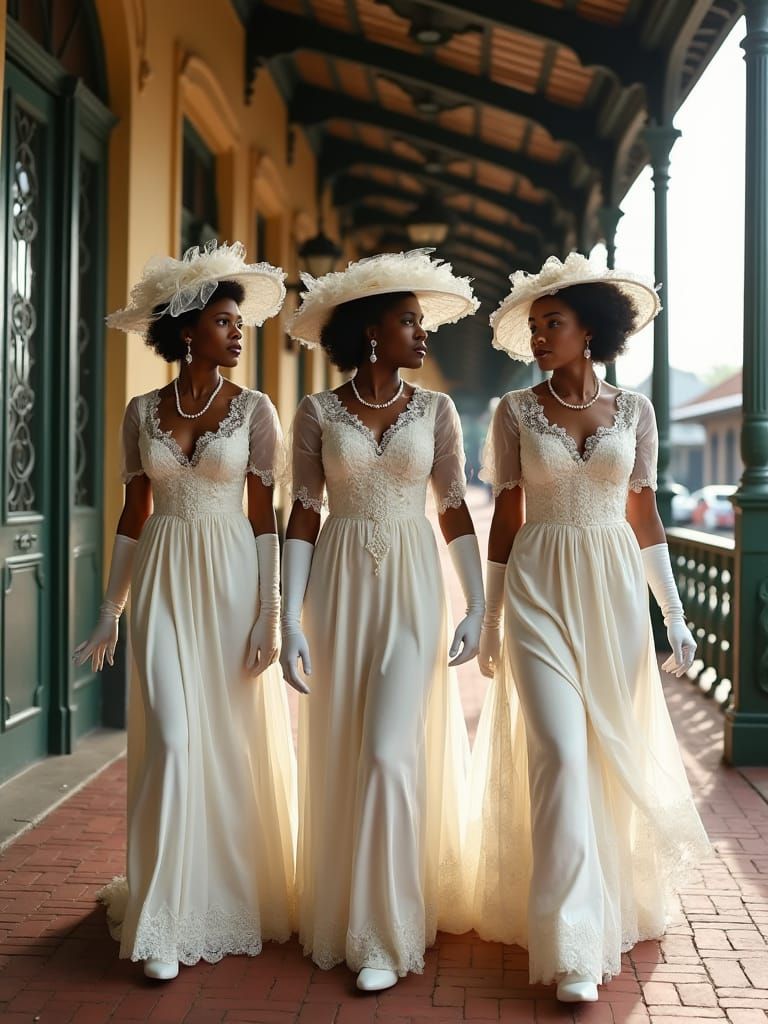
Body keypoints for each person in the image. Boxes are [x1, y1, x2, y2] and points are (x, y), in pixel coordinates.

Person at [466, 253, 710, 1002]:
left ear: (591, 332)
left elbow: (644, 516)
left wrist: (672, 613)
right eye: (535, 326)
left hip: (611, 596)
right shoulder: (513, 413)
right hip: (538, 590)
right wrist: (491, 617)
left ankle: (607, 906)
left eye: (554, 324)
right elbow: (505, 520)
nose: (540, 336)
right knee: (562, 759)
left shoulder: (635, 412)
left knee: (605, 756)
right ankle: (572, 944)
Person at [73, 242, 297, 980]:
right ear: (189, 329)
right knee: (170, 736)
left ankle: (220, 893)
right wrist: (112, 608)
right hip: (166, 579)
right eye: (227, 321)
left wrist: (271, 613)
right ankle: (163, 915)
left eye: (240, 322)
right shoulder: (142, 413)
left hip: (233, 579)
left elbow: (266, 517)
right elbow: (133, 515)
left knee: (225, 744)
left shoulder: (257, 411)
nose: (239, 333)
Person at [281, 249, 483, 992]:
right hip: (334, 587)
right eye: (409, 321)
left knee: (389, 752)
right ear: (372, 330)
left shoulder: (436, 411)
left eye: (421, 323)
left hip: (411, 584)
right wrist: (289, 621)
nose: (421, 335)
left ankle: (384, 935)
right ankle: (349, 909)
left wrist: (479, 604)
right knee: (347, 745)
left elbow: (456, 509)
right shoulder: (316, 413)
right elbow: (302, 515)